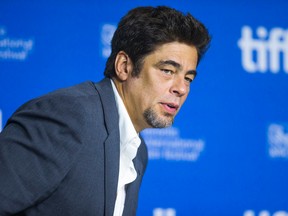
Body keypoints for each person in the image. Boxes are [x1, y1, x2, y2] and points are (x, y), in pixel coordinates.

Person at [0, 5, 211, 216]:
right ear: (124, 66)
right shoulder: (69, 116)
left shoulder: (139, 152)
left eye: (188, 78)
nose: (181, 88)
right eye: (167, 71)